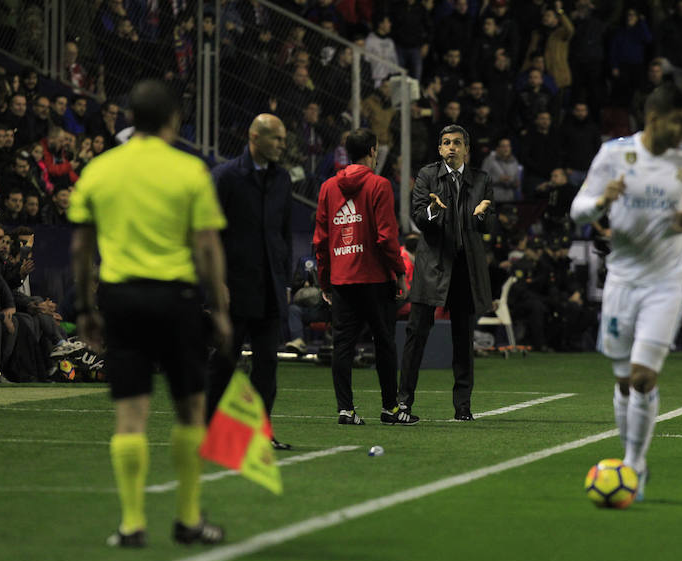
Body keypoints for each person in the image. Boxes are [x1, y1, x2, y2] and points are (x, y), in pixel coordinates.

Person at [68, 79, 232, 548]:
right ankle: (187, 520)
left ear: (129, 119)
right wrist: (218, 310)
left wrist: (83, 306)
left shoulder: (100, 170)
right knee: (189, 410)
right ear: (173, 120)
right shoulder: (189, 170)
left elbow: (81, 245)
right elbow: (206, 245)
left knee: (130, 415)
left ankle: (132, 524)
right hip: (176, 300)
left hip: (120, 299)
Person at [570, 83, 682, 501]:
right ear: (653, 119)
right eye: (678, 121)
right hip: (622, 280)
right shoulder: (614, 154)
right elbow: (579, 208)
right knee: (622, 381)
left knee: (643, 376)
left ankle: (634, 464)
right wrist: (601, 201)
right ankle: (631, 460)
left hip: (666, 281)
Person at [205, 114, 293, 451]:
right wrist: (218, 282)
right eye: (277, 139)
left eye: (283, 140)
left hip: (270, 287)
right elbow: (209, 233)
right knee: (224, 361)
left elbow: (283, 233)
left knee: (267, 365)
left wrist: (284, 280)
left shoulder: (282, 179)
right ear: (254, 137)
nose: (282, 146)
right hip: (234, 287)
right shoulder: (226, 177)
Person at [313, 128, 412, 426]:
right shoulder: (380, 185)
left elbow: (321, 239)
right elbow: (386, 237)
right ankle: (390, 409)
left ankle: (346, 410)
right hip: (374, 278)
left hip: (342, 279)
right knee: (384, 343)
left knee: (342, 346)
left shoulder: (328, 187)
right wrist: (399, 273)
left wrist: (324, 280)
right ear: (373, 150)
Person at [397, 124, 494, 421]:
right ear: (440, 149)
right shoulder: (427, 176)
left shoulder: (482, 180)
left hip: (465, 268)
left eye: (457, 143)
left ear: (466, 149)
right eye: (446, 143)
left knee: (463, 339)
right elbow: (418, 217)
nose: (451, 147)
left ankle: (463, 406)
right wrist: (433, 211)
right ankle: (403, 403)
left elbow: (488, 225)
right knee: (416, 335)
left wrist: (481, 217)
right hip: (433, 265)